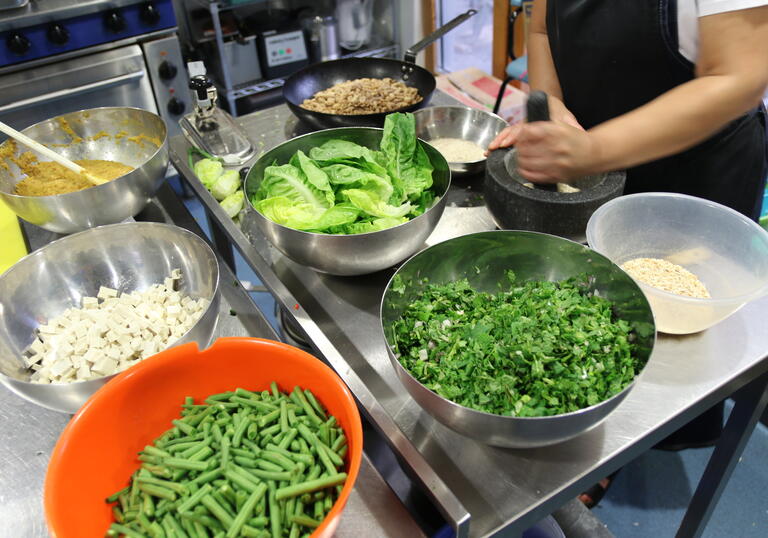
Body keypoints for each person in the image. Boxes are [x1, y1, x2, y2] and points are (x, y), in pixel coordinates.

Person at [487, 0, 768, 506]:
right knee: (586, 321)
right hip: (588, 144)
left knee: (674, 342)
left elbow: (742, 75)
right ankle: (583, 426)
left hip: (691, 172)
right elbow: (541, 25)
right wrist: (550, 102)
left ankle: (629, 449)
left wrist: (592, 152)